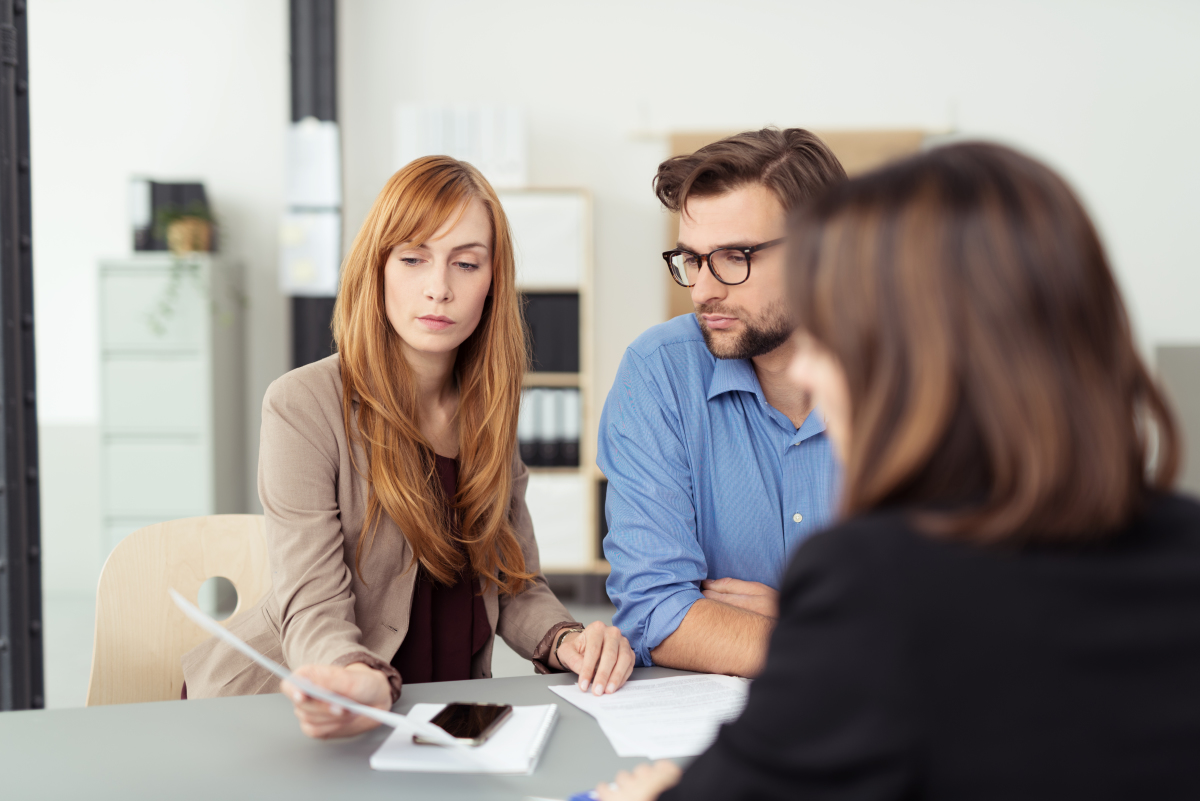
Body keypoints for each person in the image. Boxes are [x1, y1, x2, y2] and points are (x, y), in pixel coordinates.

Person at [594, 142, 1200, 800]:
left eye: (853, 325)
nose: (813, 367)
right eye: (690, 259)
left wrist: (822, 634)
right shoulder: (1182, 545)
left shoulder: (878, 580)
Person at [182, 156, 634, 738]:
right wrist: (350, 674)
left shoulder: (487, 408)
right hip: (285, 710)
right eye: (413, 258)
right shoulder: (302, 404)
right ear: (379, 269)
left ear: (493, 281)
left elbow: (514, 584)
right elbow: (311, 603)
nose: (439, 288)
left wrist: (568, 640)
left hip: (434, 717)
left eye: (466, 263)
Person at [599, 128, 847, 676]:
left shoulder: (919, 379)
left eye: (735, 257)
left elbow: (968, 611)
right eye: (692, 259)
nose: (704, 290)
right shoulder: (660, 372)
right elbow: (655, 611)